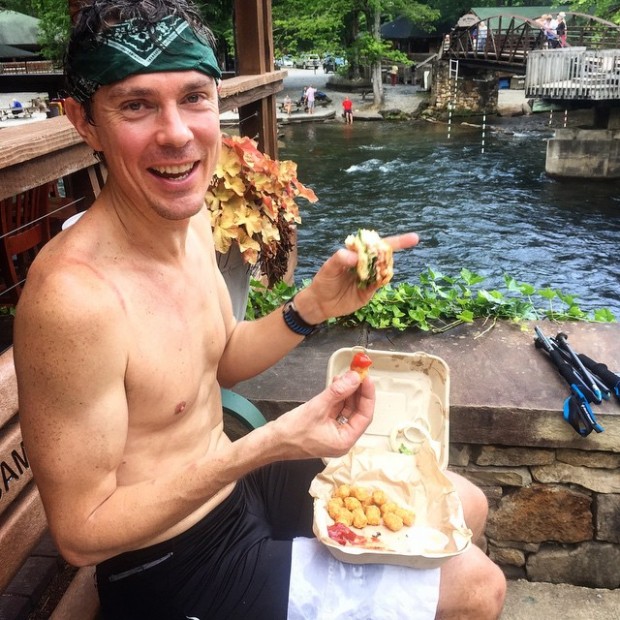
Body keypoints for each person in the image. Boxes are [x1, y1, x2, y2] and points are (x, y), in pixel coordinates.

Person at [13, 1, 505, 619]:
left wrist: (312, 307)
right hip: (171, 568)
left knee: (466, 505)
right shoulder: (74, 299)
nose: (176, 133)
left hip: (234, 492)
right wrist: (268, 444)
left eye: (193, 97)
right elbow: (81, 533)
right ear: (83, 121)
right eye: (136, 105)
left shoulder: (187, 224)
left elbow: (220, 364)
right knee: (478, 590)